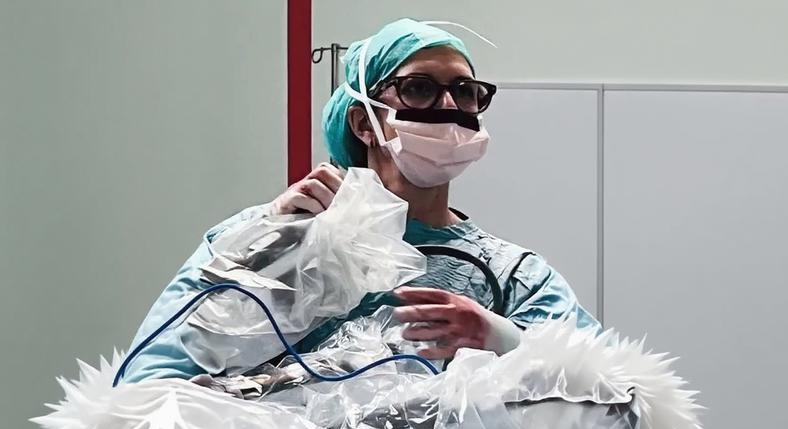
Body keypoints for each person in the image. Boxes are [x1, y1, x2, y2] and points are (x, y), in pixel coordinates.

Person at [123, 18, 599, 384]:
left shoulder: (515, 276)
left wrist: (502, 339)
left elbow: (617, 395)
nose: (450, 106)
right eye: (419, 87)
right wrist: (269, 256)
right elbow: (148, 384)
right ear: (363, 123)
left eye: (466, 91)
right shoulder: (273, 231)